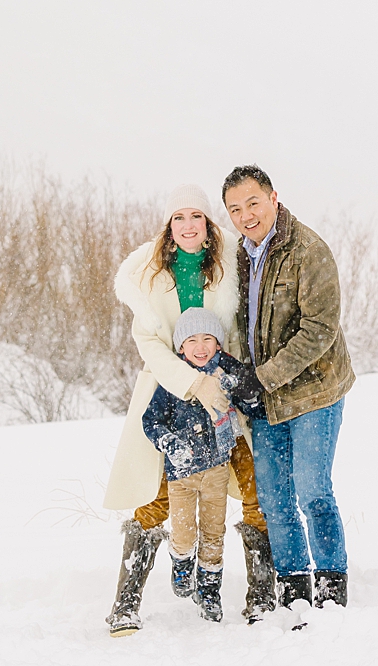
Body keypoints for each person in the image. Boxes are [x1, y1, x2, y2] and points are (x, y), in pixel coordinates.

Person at [103, 184, 276, 637]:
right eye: (178, 217)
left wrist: (231, 383)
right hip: (172, 397)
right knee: (155, 497)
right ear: (168, 226)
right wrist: (193, 383)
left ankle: (262, 596)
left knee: (255, 490)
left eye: (195, 216)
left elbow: (238, 331)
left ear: (208, 222)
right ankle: (125, 604)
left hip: (225, 401)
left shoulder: (228, 265)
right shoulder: (150, 273)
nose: (187, 225)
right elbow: (149, 342)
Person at [222, 164, 355, 617]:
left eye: (253, 203)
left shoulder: (308, 250)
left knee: (313, 491)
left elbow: (320, 329)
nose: (246, 215)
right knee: (275, 500)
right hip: (264, 399)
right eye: (235, 209)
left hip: (314, 393)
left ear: (273, 198)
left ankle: (332, 588)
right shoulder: (238, 257)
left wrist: (263, 377)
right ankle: (294, 588)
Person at [141, 307, 266, 622]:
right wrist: (171, 444)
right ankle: (182, 562)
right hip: (181, 475)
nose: (200, 347)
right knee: (184, 533)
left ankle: (209, 592)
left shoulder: (226, 373)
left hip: (217, 471)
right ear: (181, 347)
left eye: (208, 339)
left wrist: (244, 390)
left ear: (218, 344)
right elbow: (151, 421)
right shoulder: (175, 381)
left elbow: (252, 400)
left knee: (213, 535)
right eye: (192, 340)